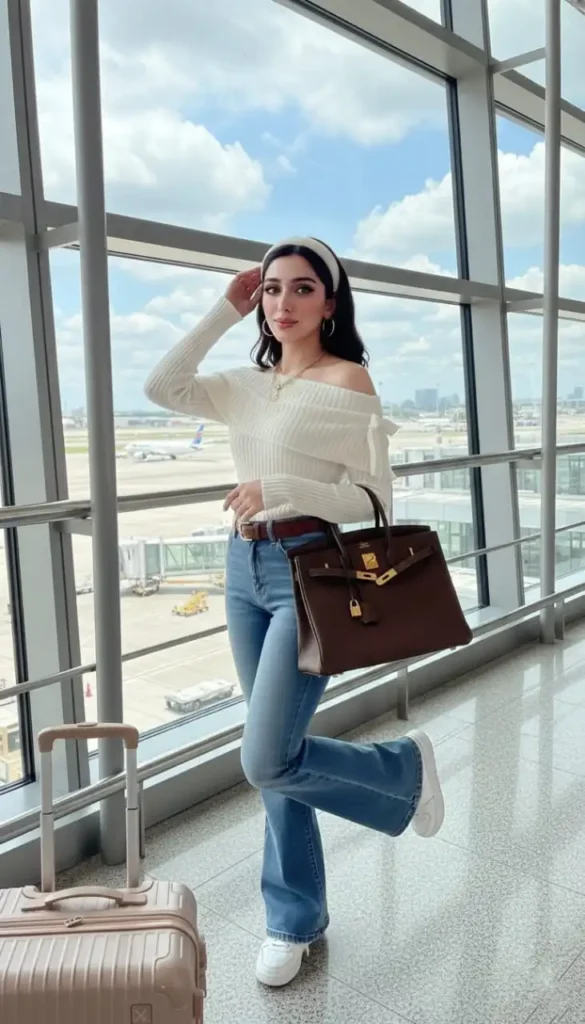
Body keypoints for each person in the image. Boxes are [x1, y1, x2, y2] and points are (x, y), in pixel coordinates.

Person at [145, 236, 445, 988]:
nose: (283, 303)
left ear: (330, 304)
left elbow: (373, 499)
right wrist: (223, 308)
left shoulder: (349, 382)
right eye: (272, 290)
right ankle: (294, 919)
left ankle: (399, 769)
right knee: (277, 754)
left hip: (307, 569)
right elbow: (161, 385)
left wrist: (283, 484)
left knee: (265, 757)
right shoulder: (248, 382)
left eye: (301, 289)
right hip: (241, 567)